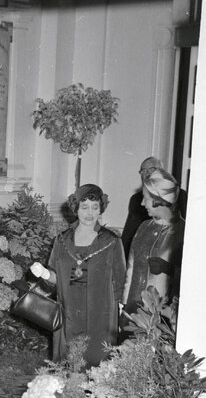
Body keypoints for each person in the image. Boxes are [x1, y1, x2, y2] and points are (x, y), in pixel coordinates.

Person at [31, 183, 125, 368]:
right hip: (69, 313)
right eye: (84, 207)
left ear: (101, 208)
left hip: (101, 315)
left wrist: (120, 309)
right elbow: (56, 280)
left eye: (95, 207)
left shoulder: (111, 241)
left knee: (97, 364)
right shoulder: (62, 240)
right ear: (76, 208)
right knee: (69, 362)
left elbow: (120, 279)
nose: (90, 213)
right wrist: (43, 273)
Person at [123, 167, 184, 323]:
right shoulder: (143, 227)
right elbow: (130, 271)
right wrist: (123, 308)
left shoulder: (183, 232)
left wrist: (167, 268)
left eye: (145, 198)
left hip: (162, 321)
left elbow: (190, 280)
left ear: (158, 199)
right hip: (132, 314)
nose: (142, 203)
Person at [118, 154, 167, 256]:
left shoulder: (178, 196)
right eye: (143, 171)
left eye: (151, 169)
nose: (146, 174)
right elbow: (129, 234)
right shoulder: (136, 199)